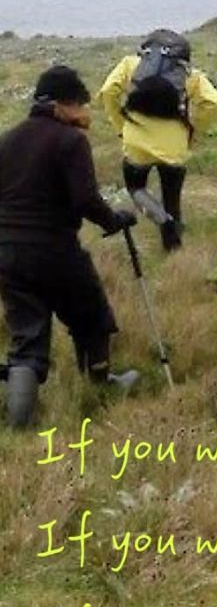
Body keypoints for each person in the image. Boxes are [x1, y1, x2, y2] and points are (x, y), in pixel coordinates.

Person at [0, 66, 139, 428]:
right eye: (79, 103)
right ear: (62, 104)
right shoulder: (70, 140)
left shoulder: (9, 139)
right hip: (54, 249)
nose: (84, 112)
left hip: (8, 251)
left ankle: (20, 423)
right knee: (91, 315)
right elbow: (85, 199)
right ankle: (102, 383)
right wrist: (114, 220)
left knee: (27, 335)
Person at [99, 29, 217, 251]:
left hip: (136, 144)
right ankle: (173, 247)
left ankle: (163, 221)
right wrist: (195, 131)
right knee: (172, 200)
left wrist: (121, 126)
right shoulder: (190, 75)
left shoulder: (129, 64)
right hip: (174, 147)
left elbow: (108, 91)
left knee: (136, 189)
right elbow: (213, 102)